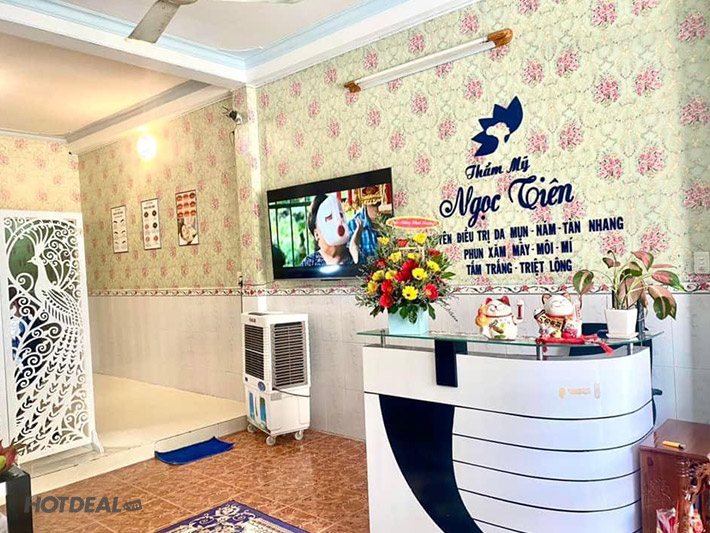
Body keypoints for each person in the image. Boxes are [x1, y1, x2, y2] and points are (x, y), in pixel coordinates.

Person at [300, 194, 362, 267]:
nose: (338, 222)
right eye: (329, 218)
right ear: (316, 234)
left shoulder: (356, 257)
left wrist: (356, 254)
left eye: (341, 215)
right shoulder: (309, 263)